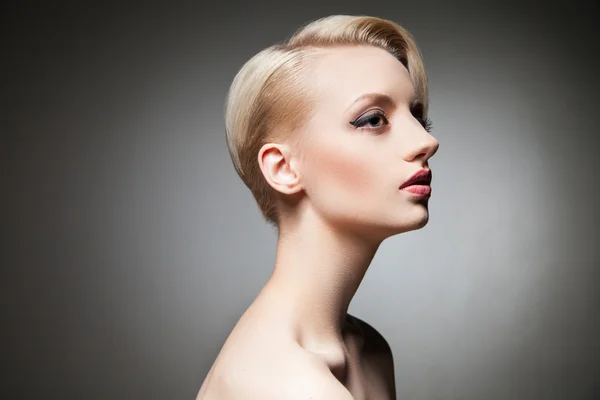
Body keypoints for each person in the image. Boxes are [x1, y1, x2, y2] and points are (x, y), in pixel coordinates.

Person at [197, 14, 440, 400]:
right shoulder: (285, 385)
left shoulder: (370, 351)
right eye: (373, 119)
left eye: (417, 116)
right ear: (284, 168)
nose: (426, 141)